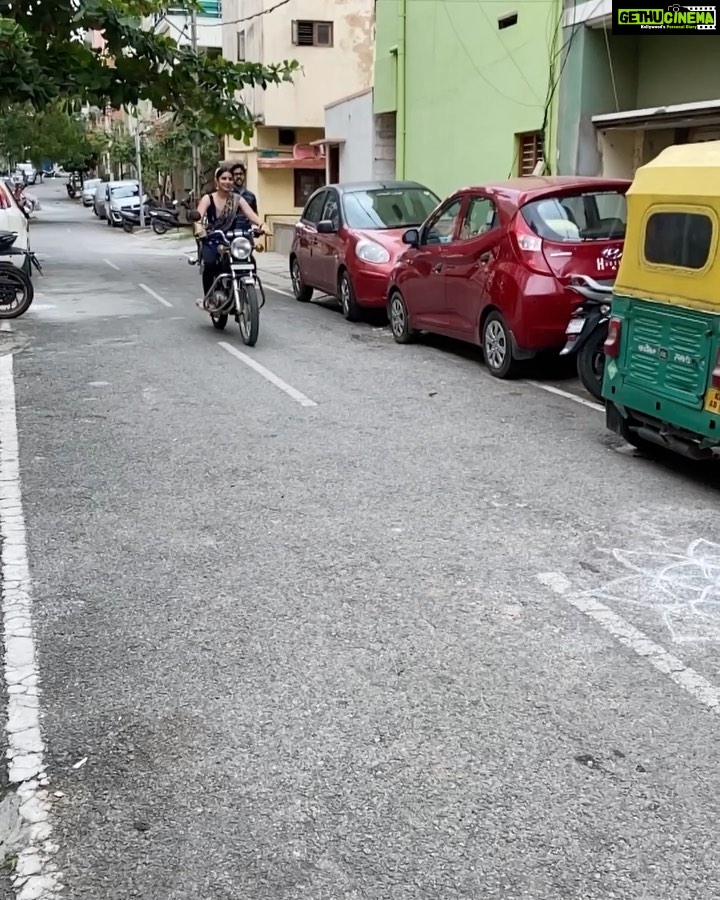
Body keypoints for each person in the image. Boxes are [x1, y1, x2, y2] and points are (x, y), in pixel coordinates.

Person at [194, 165, 269, 310]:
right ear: (217, 181)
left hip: (233, 240)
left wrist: (262, 225)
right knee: (210, 263)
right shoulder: (208, 198)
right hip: (214, 239)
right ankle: (209, 299)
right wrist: (198, 227)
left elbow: (251, 214)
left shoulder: (237, 199)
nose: (227, 181)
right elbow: (198, 217)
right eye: (224, 178)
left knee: (249, 261)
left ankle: (244, 294)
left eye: (230, 179)